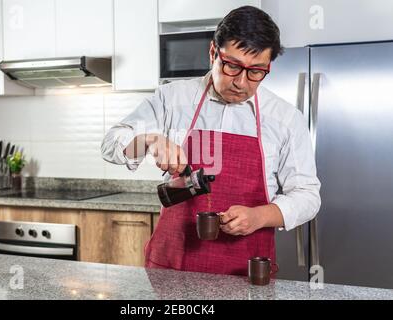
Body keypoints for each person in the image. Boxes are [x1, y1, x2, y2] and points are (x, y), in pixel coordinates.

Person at [101, 6, 321, 275]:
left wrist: (259, 216)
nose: (241, 82)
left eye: (256, 72)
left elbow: (308, 196)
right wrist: (148, 140)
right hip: (172, 266)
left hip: (246, 271)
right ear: (213, 53)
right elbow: (111, 143)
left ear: (268, 67)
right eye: (232, 66)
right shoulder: (172, 99)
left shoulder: (285, 119)